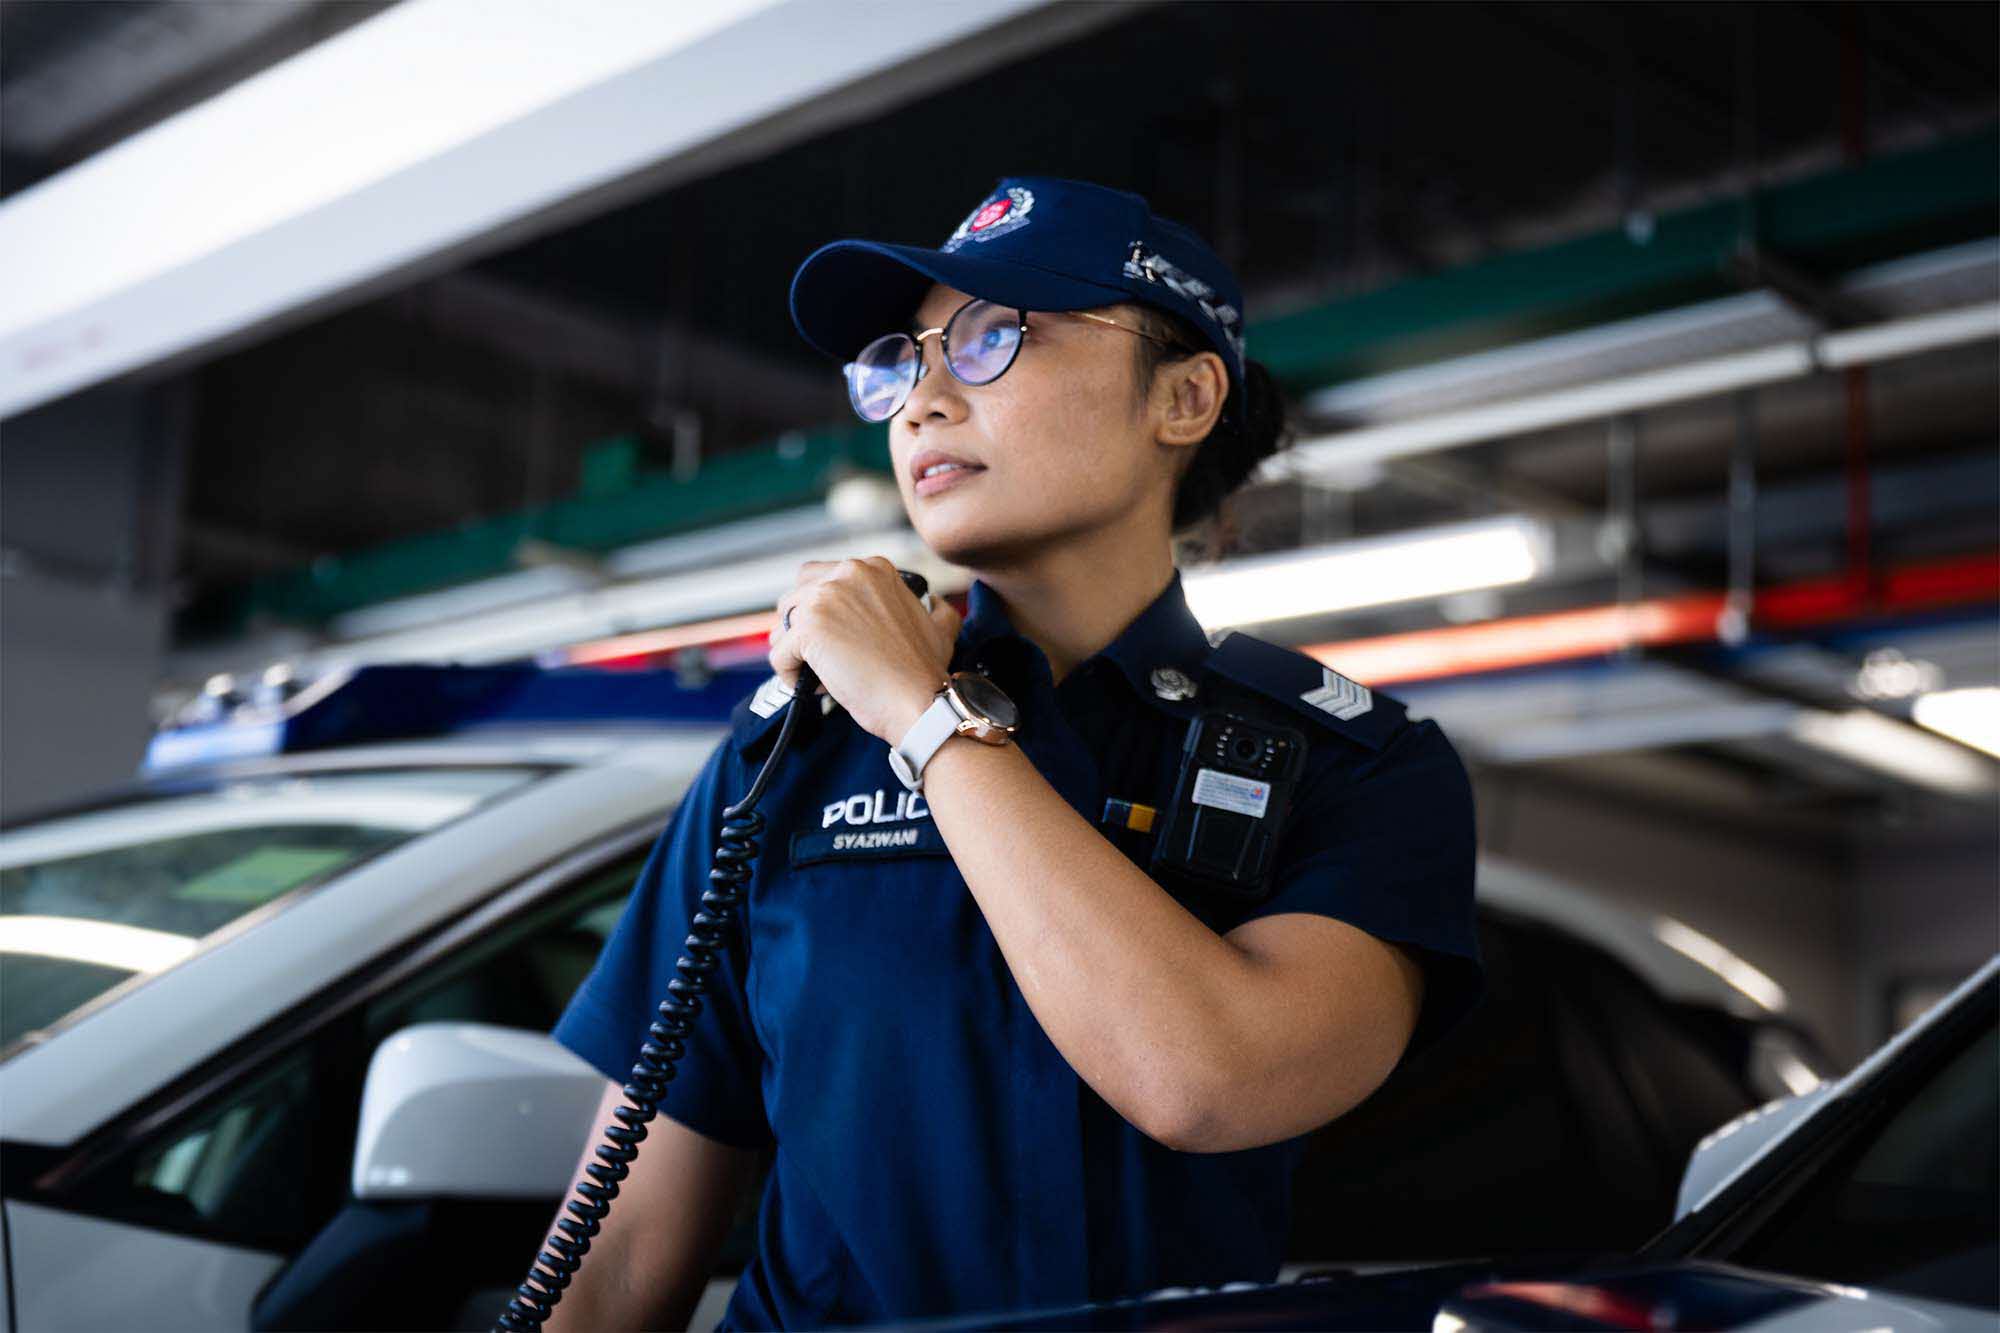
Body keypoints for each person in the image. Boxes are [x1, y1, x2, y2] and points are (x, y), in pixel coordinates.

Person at [536, 175, 1484, 1331]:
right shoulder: (785, 750)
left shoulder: (1359, 768)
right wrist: (887, 702)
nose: (921, 400)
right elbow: (623, 1252)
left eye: (992, 338)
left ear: (1182, 398)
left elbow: (1207, 1077)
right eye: (902, 357)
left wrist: (925, 721)